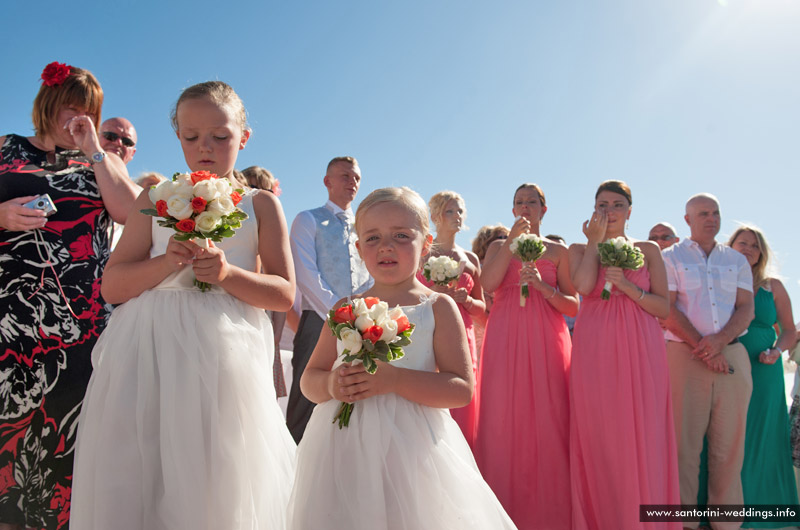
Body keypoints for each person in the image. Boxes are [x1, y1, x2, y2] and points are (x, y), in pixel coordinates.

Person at [70, 81, 297, 529]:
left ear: (244, 138)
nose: (205, 148)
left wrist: (229, 275)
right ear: (177, 138)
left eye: (220, 136)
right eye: (191, 137)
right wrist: (164, 264)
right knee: (141, 468)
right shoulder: (153, 199)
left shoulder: (261, 205)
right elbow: (112, 285)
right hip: (147, 353)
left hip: (222, 359)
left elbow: (284, 292)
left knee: (216, 473)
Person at [287, 187, 515, 529]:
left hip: (413, 453)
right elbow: (309, 381)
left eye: (401, 236)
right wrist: (332, 384)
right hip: (344, 450)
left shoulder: (437, 307)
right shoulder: (344, 309)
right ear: (359, 248)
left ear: (426, 244)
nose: (386, 246)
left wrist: (394, 380)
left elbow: (460, 388)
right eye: (373, 237)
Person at [0, 61, 139, 530]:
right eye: (70, 107)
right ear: (48, 105)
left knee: (70, 437)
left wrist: (96, 150)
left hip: (79, 325)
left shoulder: (100, 160)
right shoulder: (5, 148)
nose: (76, 117)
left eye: (88, 111)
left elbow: (129, 214)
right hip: (10, 320)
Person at [568, 180, 680, 529]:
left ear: (629, 212)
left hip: (641, 347)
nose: (609, 211)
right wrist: (593, 243)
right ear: (593, 209)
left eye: (617, 205)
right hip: (595, 346)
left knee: (643, 431)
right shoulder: (578, 248)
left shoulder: (648, 250)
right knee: (601, 432)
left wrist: (629, 288)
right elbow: (584, 288)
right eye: (602, 205)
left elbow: (663, 306)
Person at [474, 183, 578, 528]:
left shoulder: (558, 251)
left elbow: (573, 305)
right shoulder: (498, 247)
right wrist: (508, 247)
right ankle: (503, 511)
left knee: (550, 417)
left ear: (543, 210)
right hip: (505, 338)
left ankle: (551, 513)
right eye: (519, 202)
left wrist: (545, 289)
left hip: (548, 339)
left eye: (531, 202)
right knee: (504, 417)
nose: (525, 207)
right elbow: (487, 285)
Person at [662, 193, 754, 530]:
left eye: (715, 212)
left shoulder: (736, 260)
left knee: (729, 446)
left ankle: (726, 524)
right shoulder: (669, 257)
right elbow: (668, 308)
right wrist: (703, 346)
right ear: (687, 219)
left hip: (731, 353)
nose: (711, 218)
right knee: (683, 446)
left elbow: (746, 308)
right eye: (703, 213)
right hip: (683, 354)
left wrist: (719, 342)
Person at [287, 156, 372, 442]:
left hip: (363, 323)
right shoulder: (308, 219)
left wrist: (363, 313)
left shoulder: (364, 227)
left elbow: (371, 272)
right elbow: (305, 271)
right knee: (306, 400)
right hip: (318, 321)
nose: (353, 183)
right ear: (328, 181)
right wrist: (340, 312)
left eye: (357, 178)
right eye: (346, 176)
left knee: (354, 395)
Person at [727, 226, 797, 525]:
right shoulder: (718, 281)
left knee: (765, 435)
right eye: (742, 243)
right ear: (730, 247)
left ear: (761, 253)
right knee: (726, 434)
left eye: (755, 246)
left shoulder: (773, 286)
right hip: (726, 366)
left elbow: (791, 331)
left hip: (766, 371)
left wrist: (776, 351)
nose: (748, 249)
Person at [417, 190, 485, 448]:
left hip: (464, 338)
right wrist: (434, 294)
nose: (457, 216)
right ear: (435, 216)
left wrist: (466, 301)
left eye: (459, 211)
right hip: (426, 335)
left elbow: (483, 312)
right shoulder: (422, 254)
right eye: (450, 211)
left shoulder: (471, 259)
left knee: (463, 405)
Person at [241, 164, 289, 398]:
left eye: (266, 191)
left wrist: (276, 333)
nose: (259, 195)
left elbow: (282, 289)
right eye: (251, 188)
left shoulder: (272, 240)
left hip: (265, 319)